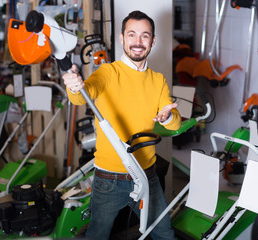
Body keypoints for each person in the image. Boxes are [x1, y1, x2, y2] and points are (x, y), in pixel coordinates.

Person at [62, 10, 181, 240]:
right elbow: (81, 96)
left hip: (147, 176)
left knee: (165, 235)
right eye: (132, 35)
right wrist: (74, 85)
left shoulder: (158, 80)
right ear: (122, 38)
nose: (138, 42)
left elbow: (173, 122)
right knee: (98, 235)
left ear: (153, 41)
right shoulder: (107, 72)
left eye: (145, 36)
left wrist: (166, 117)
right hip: (109, 179)